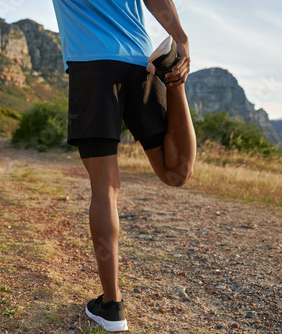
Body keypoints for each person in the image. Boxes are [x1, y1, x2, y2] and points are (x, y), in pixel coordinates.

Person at [52, 0, 196, 332]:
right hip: (140, 65)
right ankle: (175, 80)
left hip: (92, 68)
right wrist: (181, 39)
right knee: (175, 172)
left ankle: (112, 307)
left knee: (105, 189)